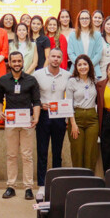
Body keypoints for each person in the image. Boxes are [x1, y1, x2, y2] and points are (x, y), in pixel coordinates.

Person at [0, 51, 41, 199]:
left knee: (27, 155)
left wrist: (36, 117)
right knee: (11, 155)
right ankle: (11, 186)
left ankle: (28, 187)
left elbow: (36, 101)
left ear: (23, 62)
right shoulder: (3, 80)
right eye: (13, 61)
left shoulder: (31, 80)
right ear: (9, 63)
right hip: (10, 122)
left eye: (19, 61)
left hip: (27, 121)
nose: (16, 64)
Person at [32, 48, 71, 187]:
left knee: (57, 151)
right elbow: (32, 95)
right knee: (42, 150)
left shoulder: (67, 75)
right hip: (43, 115)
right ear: (48, 58)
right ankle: (42, 182)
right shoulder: (37, 74)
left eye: (58, 57)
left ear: (62, 59)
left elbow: (70, 96)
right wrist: (39, 104)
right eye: (53, 56)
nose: (55, 59)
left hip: (59, 116)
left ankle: (56, 181)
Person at [66, 55, 100, 173]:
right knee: (77, 152)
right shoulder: (72, 81)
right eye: (79, 65)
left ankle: (90, 180)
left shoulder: (94, 80)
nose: (82, 67)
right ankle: (78, 180)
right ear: (76, 67)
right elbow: (68, 104)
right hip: (76, 118)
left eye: (85, 64)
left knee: (91, 151)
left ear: (89, 66)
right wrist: (73, 123)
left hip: (92, 119)